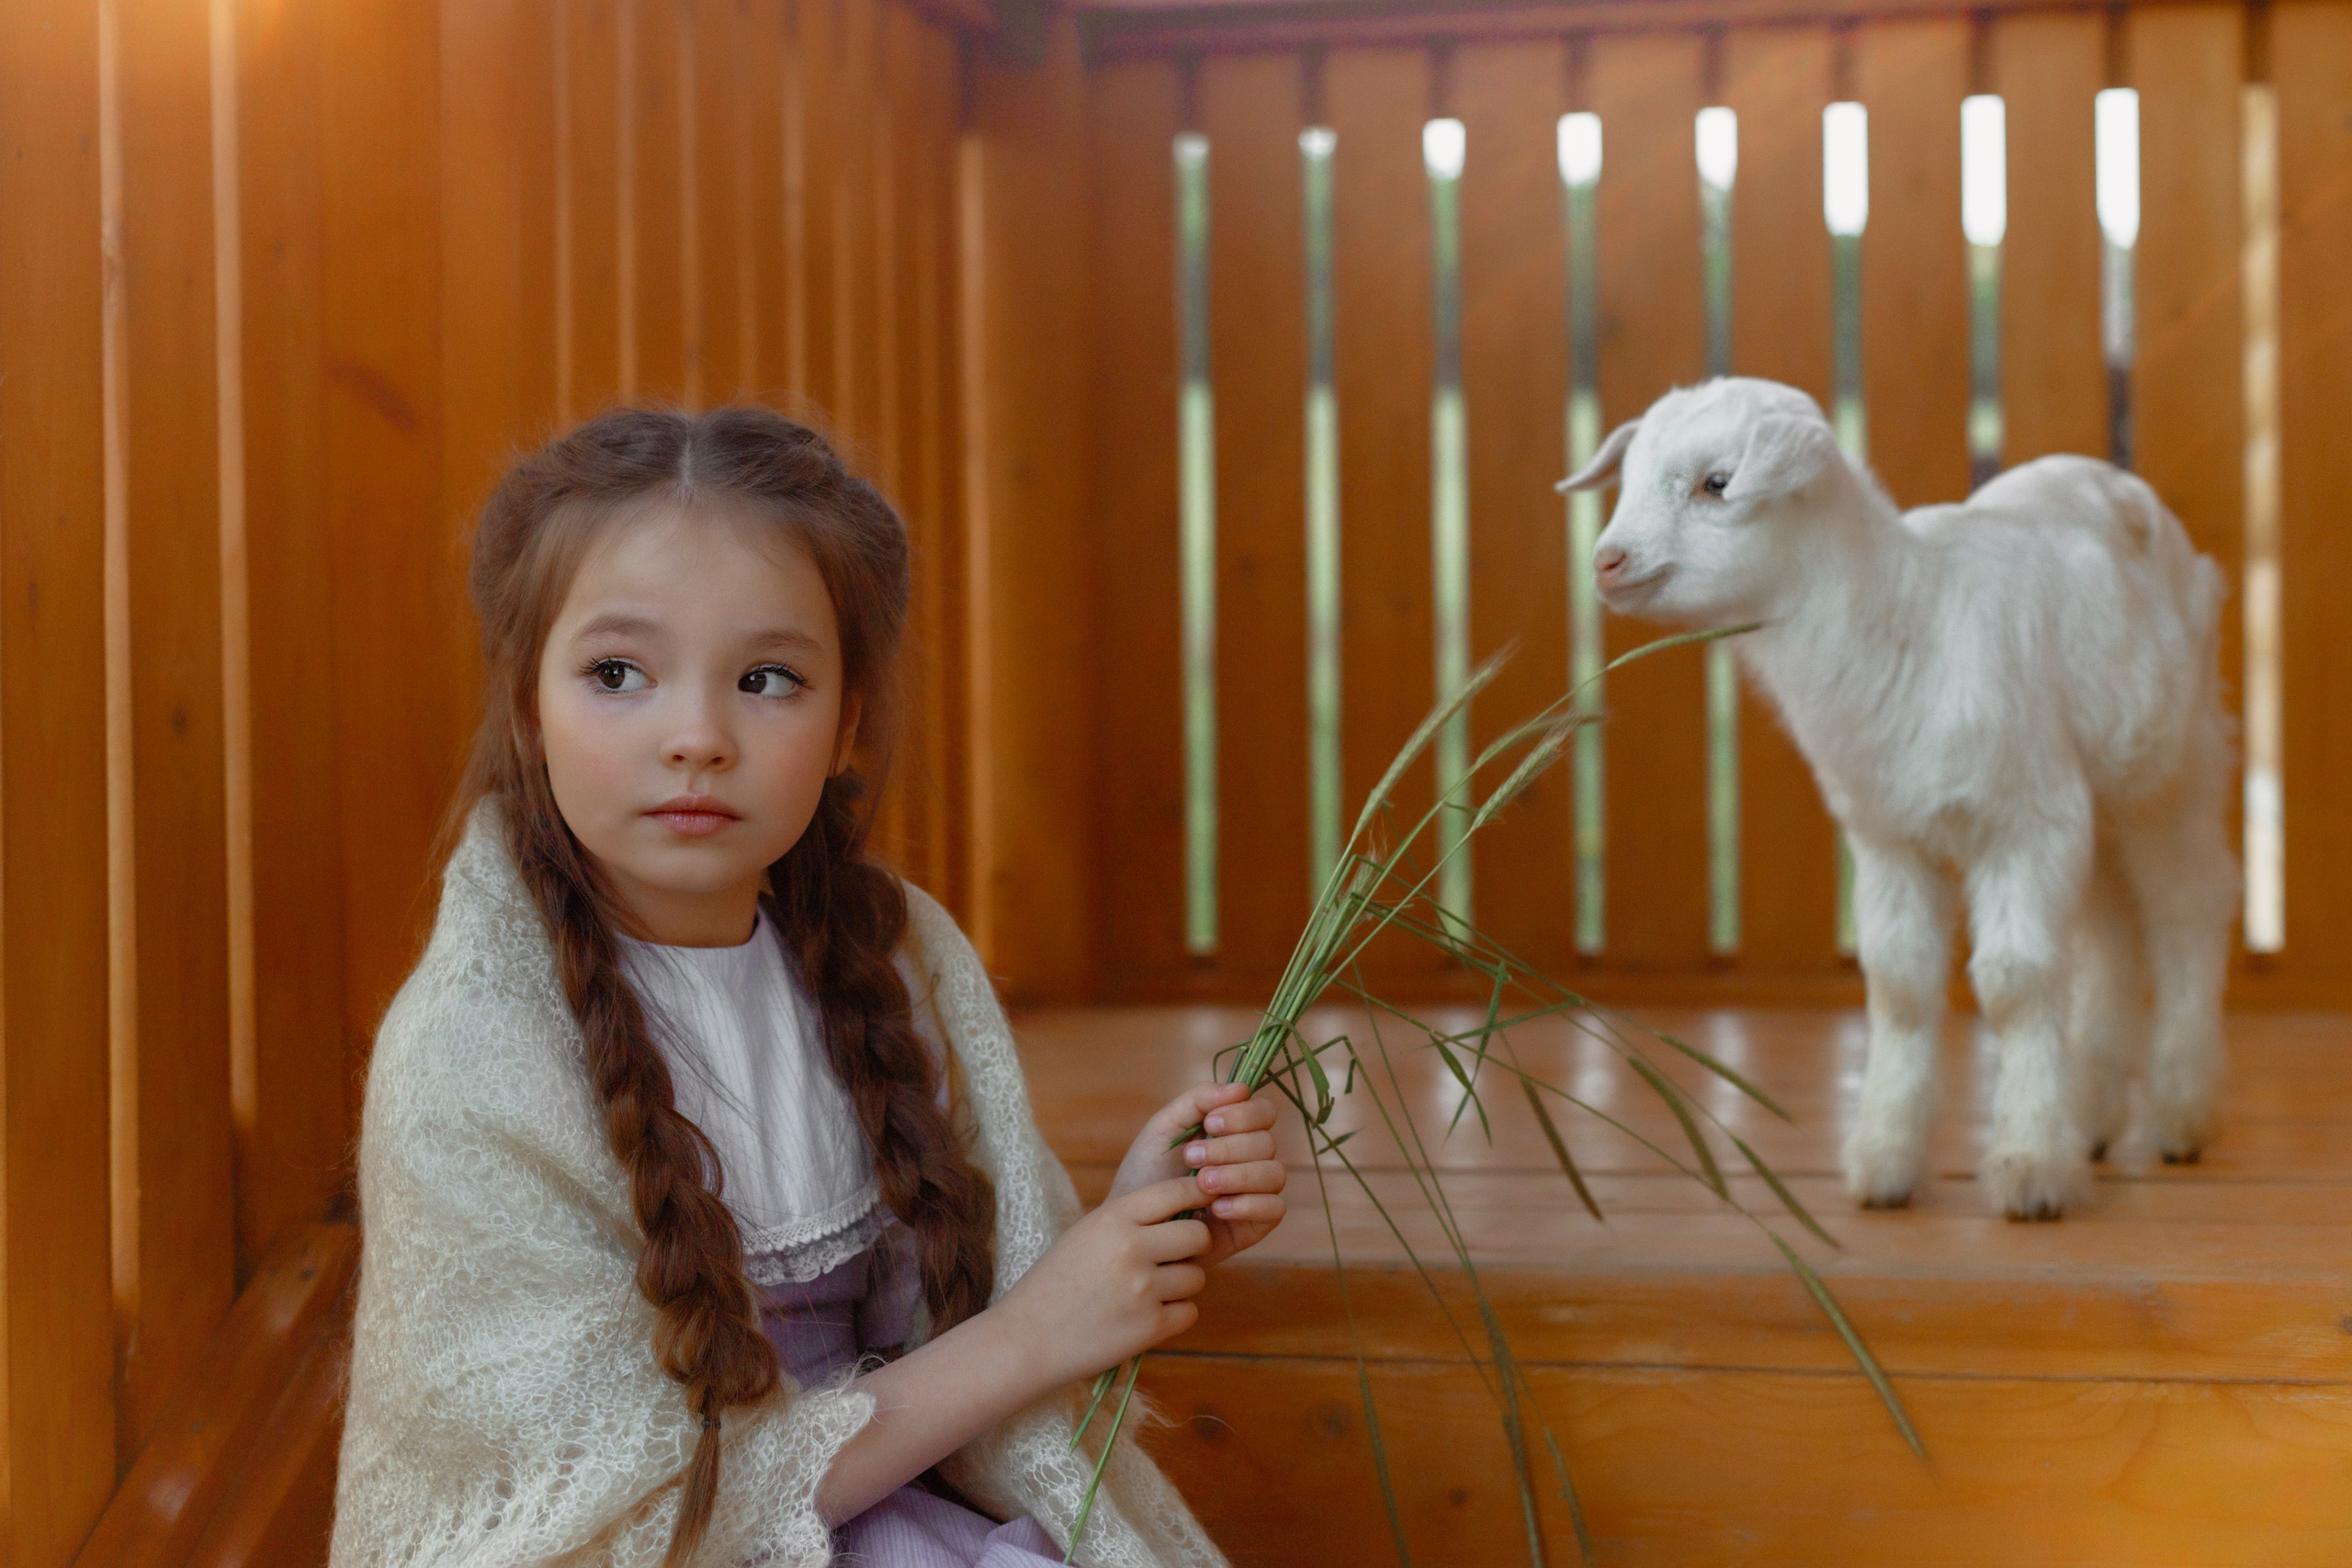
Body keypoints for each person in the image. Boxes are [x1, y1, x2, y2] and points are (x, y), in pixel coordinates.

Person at [330, 407, 1286, 1567]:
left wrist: (1137, 1219)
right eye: (618, 672)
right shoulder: (474, 1050)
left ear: (850, 723)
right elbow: (629, 1524)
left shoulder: (895, 959)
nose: (696, 736)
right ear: (529, 708)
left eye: (768, 677)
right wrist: (1036, 1333)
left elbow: (970, 1295)